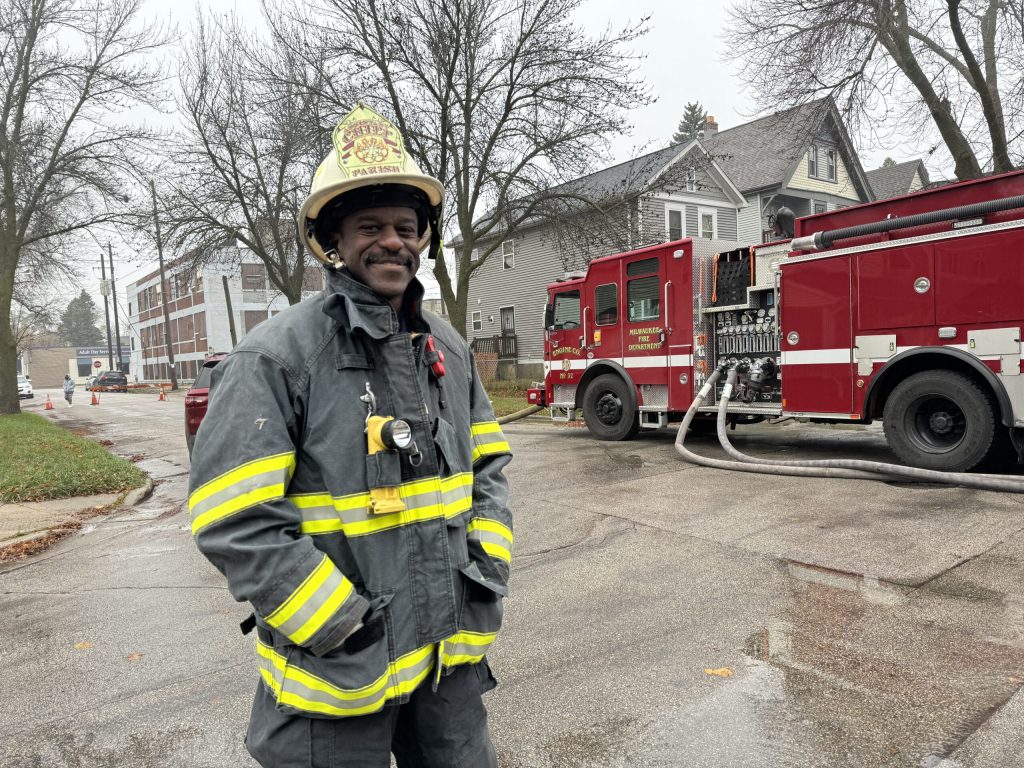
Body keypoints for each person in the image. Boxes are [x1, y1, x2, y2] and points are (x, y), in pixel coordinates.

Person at [188, 103, 513, 768]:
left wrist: (486, 567)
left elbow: (488, 467)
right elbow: (233, 517)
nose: (392, 241)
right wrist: (342, 626)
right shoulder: (276, 359)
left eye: (404, 226)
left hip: (445, 663)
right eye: (370, 227)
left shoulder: (446, 346)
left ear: (422, 238)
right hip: (337, 680)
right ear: (334, 242)